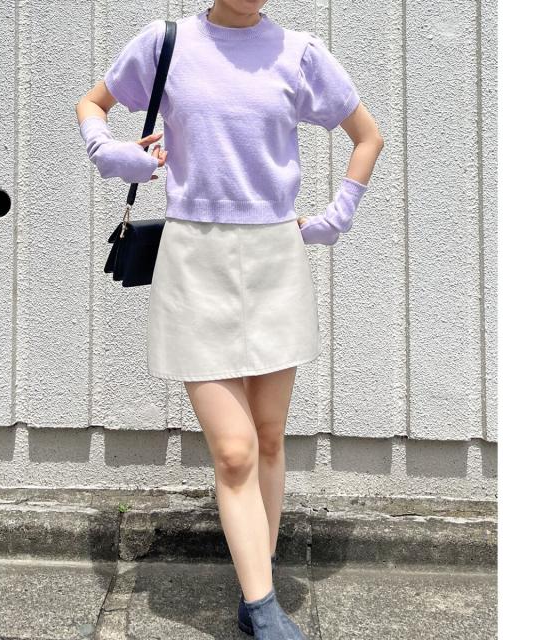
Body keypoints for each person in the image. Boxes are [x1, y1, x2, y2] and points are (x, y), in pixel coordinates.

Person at [75, 2, 383, 637]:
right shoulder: (166, 43)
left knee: (268, 437)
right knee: (236, 450)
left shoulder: (299, 53)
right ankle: (266, 611)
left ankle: (254, 589)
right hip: (195, 261)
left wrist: (337, 216)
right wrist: (110, 152)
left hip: (275, 258)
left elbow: (367, 136)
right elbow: (92, 103)